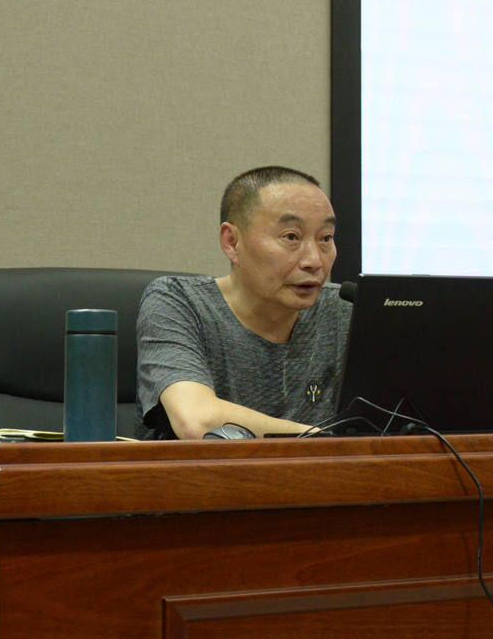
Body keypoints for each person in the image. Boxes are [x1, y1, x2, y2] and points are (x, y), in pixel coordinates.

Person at [137, 166, 350, 439]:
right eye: (291, 237)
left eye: (326, 238)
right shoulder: (178, 302)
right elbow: (197, 420)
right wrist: (329, 441)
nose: (314, 260)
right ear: (232, 242)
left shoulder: (344, 310)